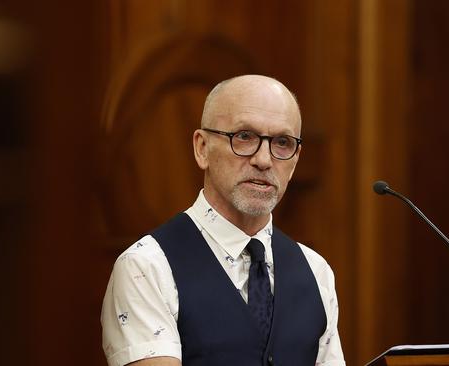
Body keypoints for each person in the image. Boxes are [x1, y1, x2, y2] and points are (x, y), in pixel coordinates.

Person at [101, 74, 345, 366]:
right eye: (244, 136)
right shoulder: (147, 267)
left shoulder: (316, 272)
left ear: (294, 162)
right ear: (202, 148)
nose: (264, 160)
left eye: (282, 142)